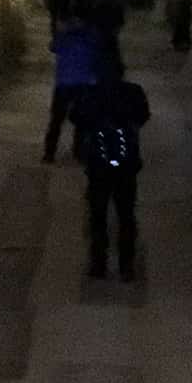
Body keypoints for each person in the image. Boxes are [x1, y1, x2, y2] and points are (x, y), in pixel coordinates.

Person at [69, 57, 151, 280]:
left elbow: (76, 117)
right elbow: (143, 116)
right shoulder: (133, 92)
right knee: (126, 213)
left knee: (98, 214)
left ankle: (99, 264)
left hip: (98, 163)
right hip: (126, 163)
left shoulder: (90, 94)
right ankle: (126, 265)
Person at [42, 15, 105, 162]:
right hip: (84, 82)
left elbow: (53, 47)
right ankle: (79, 152)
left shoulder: (64, 36)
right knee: (82, 120)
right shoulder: (91, 36)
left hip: (64, 82)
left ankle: (49, 153)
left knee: (57, 120)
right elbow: (98, 53)